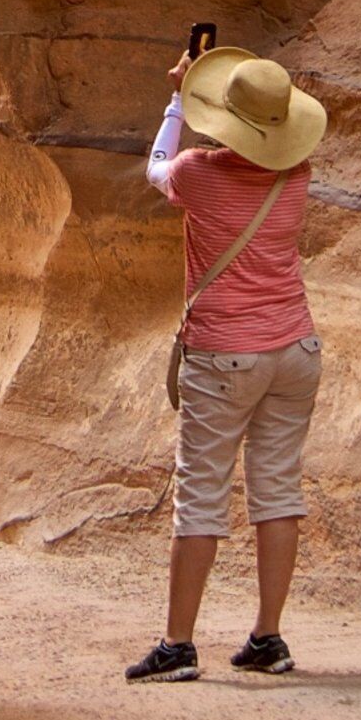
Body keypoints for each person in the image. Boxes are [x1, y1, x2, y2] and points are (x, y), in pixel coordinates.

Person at [124, 38, 326, 684]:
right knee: (278, 490)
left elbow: (156, 165)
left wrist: (177, 98)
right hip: (295, 347)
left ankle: (178, 644)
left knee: (201, 494)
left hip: (225, 355)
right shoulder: (296, 176)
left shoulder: (197, 175)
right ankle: (268, 637)